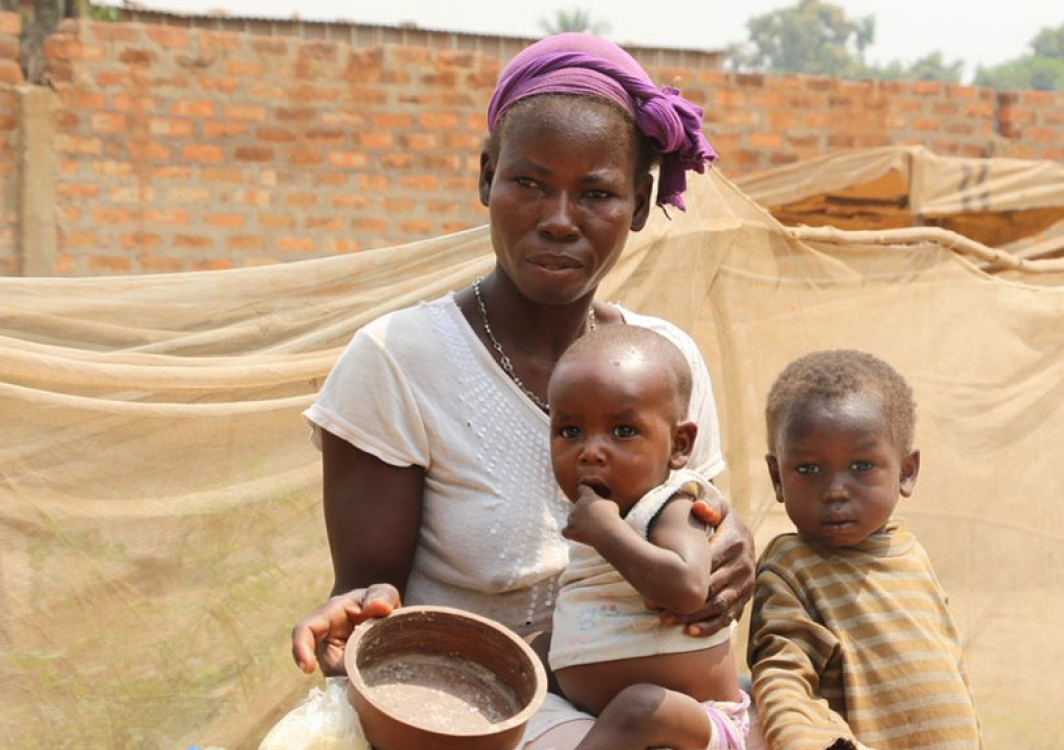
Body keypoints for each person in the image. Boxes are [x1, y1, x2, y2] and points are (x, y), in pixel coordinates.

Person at [288, 33, 756, 750]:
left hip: (659, 712)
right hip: (470, 713)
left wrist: (730, 547)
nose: (559, 218)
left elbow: (692, 522)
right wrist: (358, 613)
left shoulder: (662, 365)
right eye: (529, 183)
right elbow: (371, 597)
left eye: (596, 193)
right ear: (485, 178)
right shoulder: (400, 362)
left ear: (639, 203)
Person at [748, 350, 983, 750]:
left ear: (906, 471)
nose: (836, 490)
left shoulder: (911, 555)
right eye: (808, 469)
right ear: (777, 477)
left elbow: (952, 674)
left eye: (861, 466)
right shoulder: (792, 565)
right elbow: (782, 673)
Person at [547, 324, 749, 750]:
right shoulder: (605, 516)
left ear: (679, 444)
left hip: (692, 722)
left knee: (637, 707)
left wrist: (606, 532)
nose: (591, 451)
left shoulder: (673, 503)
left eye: (623, 432)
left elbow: (688, 588)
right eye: (569, 432)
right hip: (598, 716)